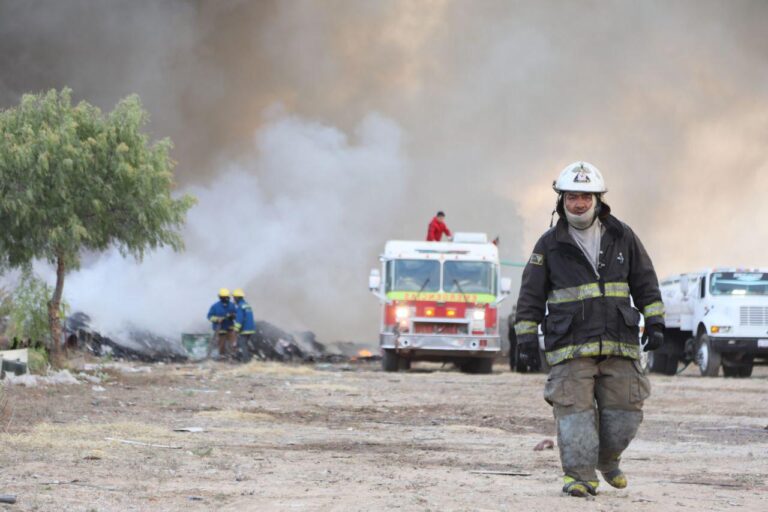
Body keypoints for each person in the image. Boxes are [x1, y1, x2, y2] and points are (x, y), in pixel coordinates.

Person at [514, 161, 665, 497]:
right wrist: (525, 336)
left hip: (619, 343)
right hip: (570, 347)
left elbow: (644, 280)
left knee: (625, 415)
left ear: (598, 199)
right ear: (561, 201)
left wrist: (655, 320)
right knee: (575, 417)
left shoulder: (622, 236)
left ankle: (607, 459)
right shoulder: (549, 245)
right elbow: (530, 294)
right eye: (571, 197)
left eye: (585, 196)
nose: (578, 203)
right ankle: (581, 478)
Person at [206, 288, 237, 359]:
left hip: (230, 328)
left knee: (233, 344)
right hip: (220, 329)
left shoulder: (232, 305)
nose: (226, 299)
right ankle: (222, 357)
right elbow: (209, 316)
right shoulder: (215, 306)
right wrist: (217, 319)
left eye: (227, 297)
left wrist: (233, 316)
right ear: (220, 297)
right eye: (224, 297)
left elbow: (236, 314)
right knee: (221, 345)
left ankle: (234, 357)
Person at [232, 288, 256, 362]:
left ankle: (246, 362)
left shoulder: (240, 306)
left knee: (243, 345)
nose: (233, 299)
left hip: (244, 329)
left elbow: (240, 319)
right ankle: (248, 358)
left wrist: (235, 330)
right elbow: (246, 316)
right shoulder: (247, 305)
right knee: (245, 344)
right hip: (251, 329)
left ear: (237, 298)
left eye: (234, 298)